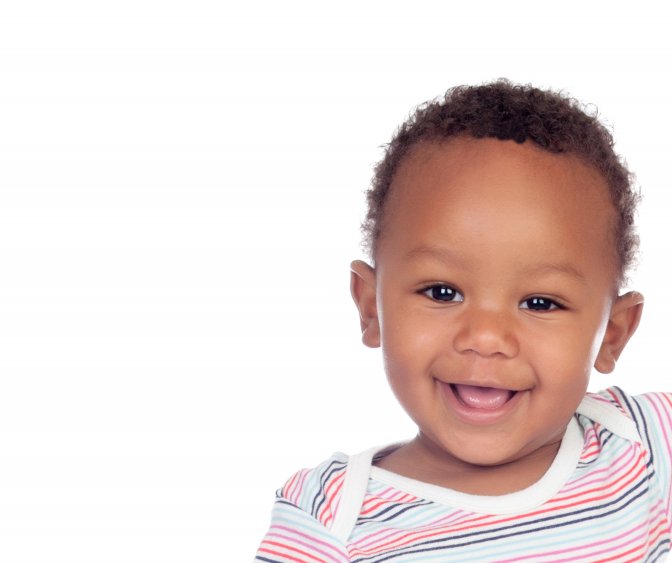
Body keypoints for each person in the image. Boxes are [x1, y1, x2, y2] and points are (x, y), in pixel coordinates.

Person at [255, 80, 671, 561]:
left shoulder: (644, 443)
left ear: (612, 334)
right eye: (442, 292)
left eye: (539, 303)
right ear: (372, 307)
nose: (486, 338)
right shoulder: (330, 517)